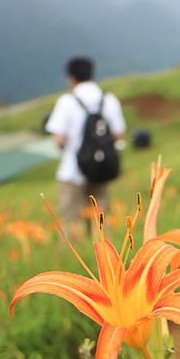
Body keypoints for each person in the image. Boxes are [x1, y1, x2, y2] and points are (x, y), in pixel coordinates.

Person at [45, 57, 126, 233]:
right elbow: (119, 133)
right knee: (100, 222)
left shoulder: (67, 101)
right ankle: (104, 258)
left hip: (72, 171)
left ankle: (73, 257)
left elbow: (58, 138)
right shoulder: (108, 100)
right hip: (101, 169)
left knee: (71, 221)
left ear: (71, 78)